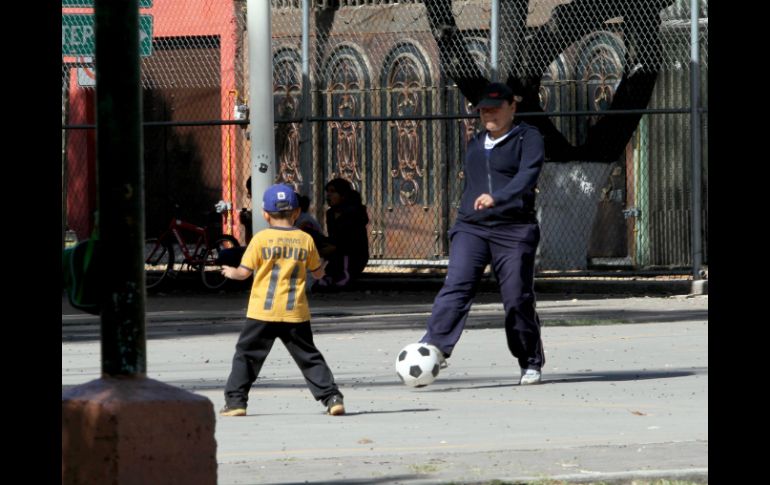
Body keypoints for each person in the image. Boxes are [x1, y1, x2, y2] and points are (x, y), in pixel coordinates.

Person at [419, 82, 546, 386]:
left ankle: (530, 360)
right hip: (472, 226)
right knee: (457, 285)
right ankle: (434, 347)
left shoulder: (528, 137)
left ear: (512, 107)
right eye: (483, 110)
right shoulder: (476, 142)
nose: (488, 115)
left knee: (517, 298)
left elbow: (528, 175)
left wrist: (498, 197)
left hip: (514, 228)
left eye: (495, 109)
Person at [218, 183, 345, 416]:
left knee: (246, 356)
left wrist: (230, 272)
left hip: (261, 313)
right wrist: (323, 269)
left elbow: (243, 273)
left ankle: (236, 402)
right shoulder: (305, 240)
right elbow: (317, 272)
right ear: (296, 212)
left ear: (265, 214)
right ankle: (332, 397)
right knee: (309, 357)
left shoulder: (260, 239)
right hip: (295, 312)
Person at [316, 178, 370, 290]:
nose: (329, 195)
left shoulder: (355, 212)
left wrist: (335, 248)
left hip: (353, 255)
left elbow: (354, 241)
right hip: (337, 253)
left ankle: (343, 278)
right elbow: (333, 237)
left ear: (343, 195)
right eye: (328, 192)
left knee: (339, 278)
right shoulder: (330, 214)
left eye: (333, 192)